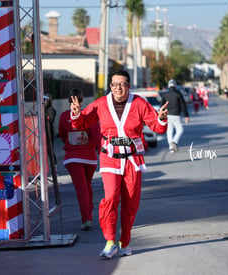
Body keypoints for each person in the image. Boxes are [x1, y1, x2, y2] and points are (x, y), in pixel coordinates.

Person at [70, 69, 168, 258]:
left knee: (131, 203)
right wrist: (76, 114)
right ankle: (110, 241)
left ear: (128, 86)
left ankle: (125, 242)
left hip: (133, 160)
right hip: (109, 159)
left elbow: (156, 126)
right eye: (115, 84)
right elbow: (81, 123)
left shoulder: (139, 103)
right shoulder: (100, 104)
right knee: (110, 198)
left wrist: (161, 118)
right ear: (110, 86)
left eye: (122, 84)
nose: (118, 88)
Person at [59, 89, 101, 231]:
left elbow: (62, 135)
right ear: (82, 100)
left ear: (68, 99)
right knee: (85, 187)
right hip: (89, 157)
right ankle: (87, 217)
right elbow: (96, 135)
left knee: (84, 187)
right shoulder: (89, 115)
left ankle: (87, 213)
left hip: (72, 157)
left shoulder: (64, 116)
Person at [160, 79, 189, 153]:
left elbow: (162, 107)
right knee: (180, 129)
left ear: (168, 86)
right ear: (175, 86)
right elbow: (183, 105)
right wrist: (186, 115)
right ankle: (174, 141)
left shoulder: (164, 95)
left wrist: (161, 116)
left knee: (169, 131)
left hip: (167, 116)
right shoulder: (178, 94)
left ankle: (171, 148)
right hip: (176, 115)